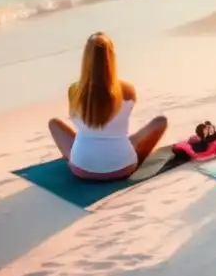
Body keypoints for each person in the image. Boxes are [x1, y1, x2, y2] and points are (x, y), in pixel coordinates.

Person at [48, 32, 168, 181]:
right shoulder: (128, 90)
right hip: (124, 167)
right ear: (111, 58)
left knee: (54, 124)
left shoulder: (74, 90)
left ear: (86, 59)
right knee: (160, 121)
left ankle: (82, 156)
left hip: (81, 169)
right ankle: (137, 159)